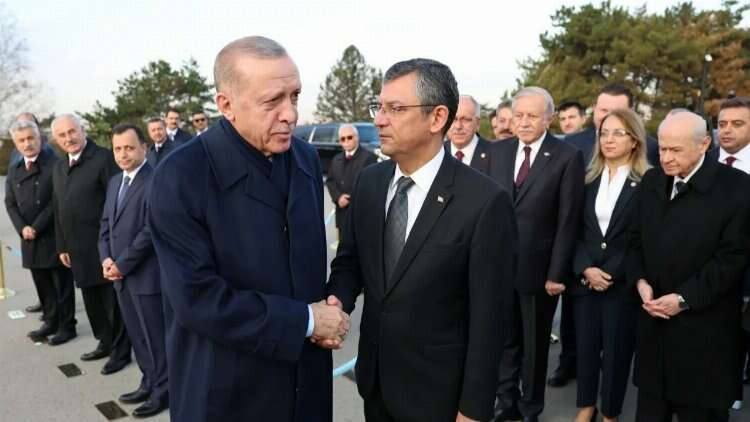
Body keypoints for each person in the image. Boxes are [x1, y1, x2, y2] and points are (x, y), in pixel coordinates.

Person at [148, 36, 348, 422]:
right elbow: (197, 299)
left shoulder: (305, 159)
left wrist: (332, 306)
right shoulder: (181, 176)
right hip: (227, 391)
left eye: (295, 96)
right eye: (273, 101)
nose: (290, 114)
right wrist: (306, 321)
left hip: (306, 383)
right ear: (226, 105)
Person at [326, 57, 517, 422]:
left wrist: (473, 410)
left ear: (437, 117)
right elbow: (351, 261)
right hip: (376, 383)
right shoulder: (371, 182)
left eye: (395, 109)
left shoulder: (484, 202)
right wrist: (338, 301)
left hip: (439, 395)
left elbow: (489, 321)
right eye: (379, 107)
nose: (379, 120)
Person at [627, 111, 750, 421]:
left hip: (705, 336)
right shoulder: (653, 181)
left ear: (704, 144)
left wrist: (683, 299)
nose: (666, 158)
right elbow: (633, 239)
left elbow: (732, 259)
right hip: (654, 330)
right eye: (662, 148)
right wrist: (640, 281)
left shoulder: (738, 188)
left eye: (676, 150)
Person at [488, 87, 584, 422]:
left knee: (535, 345)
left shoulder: (567, 156)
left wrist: (556, 273)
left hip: (540, 270)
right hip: (500, 267)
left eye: (532, 115)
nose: (524, 122)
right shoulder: (497, 151)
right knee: (505, 341)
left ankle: (531, 407)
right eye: (519, 115)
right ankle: (506, 402)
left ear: (549, 119)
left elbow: (568, 220)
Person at [571, 109, 650, 422]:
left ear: (635, 140)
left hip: (622, 285)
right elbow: (572, 229)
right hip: (586, 281)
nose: (609, 139)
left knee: (617, 353)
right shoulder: (586, 179)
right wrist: (585, 268)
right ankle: (586, 406)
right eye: (604, 133)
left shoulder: (648, 182)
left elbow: (642, 238)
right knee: (586, 349)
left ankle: (610, 413)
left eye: (619, 133)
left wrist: (613, 272)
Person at [51, 114, 131, 374]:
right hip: (76, 249)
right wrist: (62, 245)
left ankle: (120, 352)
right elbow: (58, 208)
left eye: (72, 131)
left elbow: (119, 203)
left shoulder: (104, 159)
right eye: (62, 135)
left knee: (112, 304)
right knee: (92, 303)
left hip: (104, 247)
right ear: (56, 139)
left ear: (82, 130)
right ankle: (104, 342)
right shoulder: (59, 167)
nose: (68, 138)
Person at [98, 124, 168, 418]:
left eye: (129, 147)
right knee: (137, 336)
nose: (123, 154)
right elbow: (106, 225)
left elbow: (151, 230)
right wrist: (106, 259)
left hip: (146, 277)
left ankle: (163, 391)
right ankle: (148, 382)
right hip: (120, 277)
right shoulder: (115, 181)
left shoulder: (156, 180)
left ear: (144, 148)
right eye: (117, 148)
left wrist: (122, 264)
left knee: (155, 339)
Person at [5, 120, 76, 345]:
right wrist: (22, 228)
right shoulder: (15, 168)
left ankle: (67, 326)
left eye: (31, 138)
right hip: (28, 237)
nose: (27, 144)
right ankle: (50, 321)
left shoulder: (55, 164)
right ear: (16, 143)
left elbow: (56, 201)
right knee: (42, 284)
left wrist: (36, 226)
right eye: (21, 140)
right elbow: (10, 202)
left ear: (39, 138)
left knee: (61, 286)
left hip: (53, 235)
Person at [707, 96, 750, 411]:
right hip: (703, 271)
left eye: (737, 124)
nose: (727, 130)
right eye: (722, 124)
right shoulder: (702, 160)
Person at [565, 83, 659, 166]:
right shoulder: (572, 143)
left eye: (617, 112)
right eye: (604, 110)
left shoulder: (651, 148)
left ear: (631, 112)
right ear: (594, 108)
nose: (609, 117)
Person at [325, 124, 377, 239]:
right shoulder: (336, 159)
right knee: (342, 244)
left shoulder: (369, 158)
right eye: (342, 139)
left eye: (349, 137)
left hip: (360, 215)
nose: (346, 141)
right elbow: (330, 181)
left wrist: (349, 199)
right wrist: (338, 197)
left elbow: (370, 186)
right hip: (341, 216)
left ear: (357, 137)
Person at [446, 94, 492, 173]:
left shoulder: (496, 154)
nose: (458, 126)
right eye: (453, 119)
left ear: (477, 124)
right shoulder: (435, 153)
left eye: (465, 120)